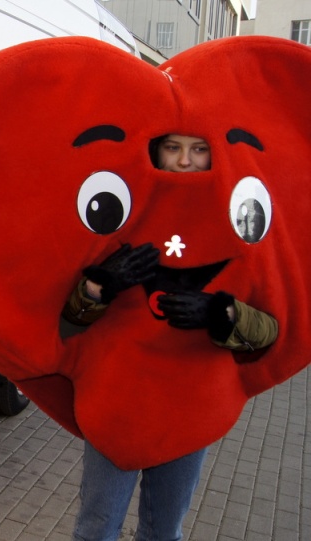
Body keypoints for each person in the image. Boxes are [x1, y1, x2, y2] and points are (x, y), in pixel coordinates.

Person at [63, 134, 279, 541]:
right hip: (119, 402)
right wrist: (101, 285)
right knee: (96, 529)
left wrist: (223, 313)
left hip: (189, 407)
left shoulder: (241, 220)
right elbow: (69, 317)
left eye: (198, 149)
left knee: (163, 532)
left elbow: (273, 327)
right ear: (155, 150)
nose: (184, 161)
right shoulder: (121, 211)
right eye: (173, 148)